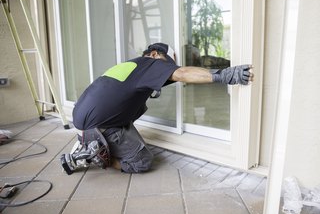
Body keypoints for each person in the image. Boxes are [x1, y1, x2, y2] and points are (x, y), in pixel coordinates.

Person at [62, 43, 253, 174]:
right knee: (141, 161)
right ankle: (96, 156)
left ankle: (90, 143)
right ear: (154, 54)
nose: (167, 70)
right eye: (167, 64)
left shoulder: (132, 67)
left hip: (80, 119)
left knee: (134, 108)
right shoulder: (150, 63)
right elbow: (183, 73)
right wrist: (226, 75)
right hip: (99, 125)